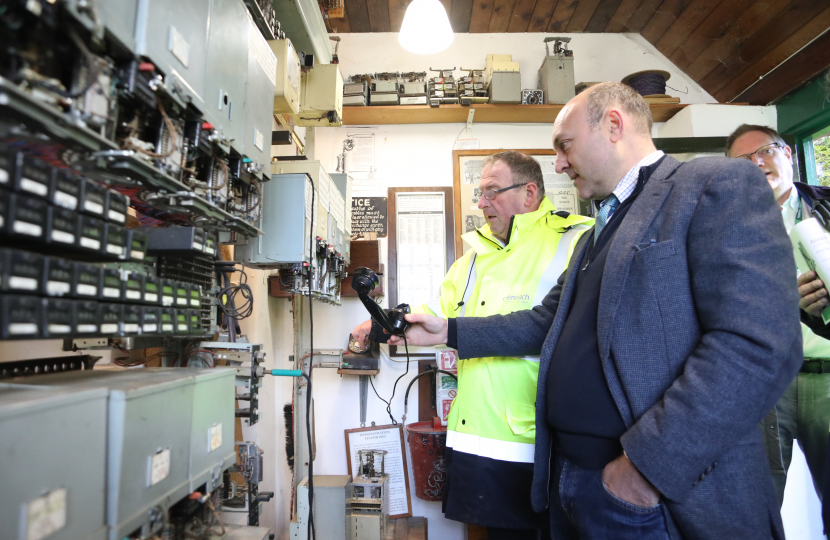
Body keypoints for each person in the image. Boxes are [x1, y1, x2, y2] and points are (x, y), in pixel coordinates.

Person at [387, 82, 802, 539]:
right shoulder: (595, 232)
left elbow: (757, 345)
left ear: (614, 125)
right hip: (569, 478)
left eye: (564, 146)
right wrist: (447, 330)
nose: (559, 164)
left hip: (649, 494)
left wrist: (644, 472)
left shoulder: (709, 185)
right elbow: (544, 322)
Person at [352, 151, 594, 540]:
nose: (481, 204)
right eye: (480, 193)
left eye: (492, 192)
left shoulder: (577, 240)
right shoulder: (471, 260)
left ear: (529, 193)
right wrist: (383, 324)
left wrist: (448, 329)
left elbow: (552, 328)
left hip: (544, 446)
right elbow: (438, 313)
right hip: (477, 439)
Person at [727, 124, 830, 505]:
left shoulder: (827, 206)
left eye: (765, 151)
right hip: (765, 384)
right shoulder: (724, 227)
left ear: (787, 155)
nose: (756, 162)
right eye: (743, 159)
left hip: (828, 378)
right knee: (758, 502)